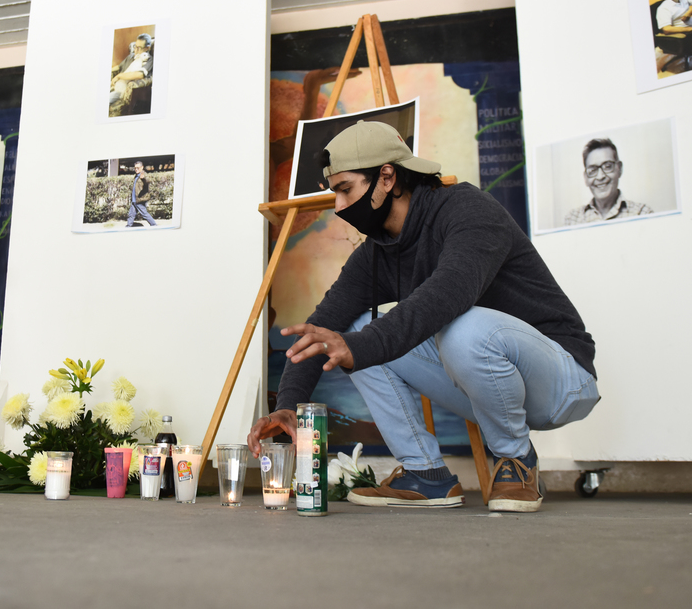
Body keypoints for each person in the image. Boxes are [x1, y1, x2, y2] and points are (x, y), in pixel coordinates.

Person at [247, 121, 599, 513]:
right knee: (352, 332)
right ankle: (425, 473)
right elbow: (322, 328)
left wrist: (361, 345)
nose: (340, 207)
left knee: (460, 327)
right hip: (488, 391)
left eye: (346, 189)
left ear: (387, 177)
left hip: (562, 379)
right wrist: (289, 404)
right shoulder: (377, 253)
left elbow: (448, 295)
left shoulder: (469, 210)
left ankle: (516, 460)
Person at [564, 138, 653, 226]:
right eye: (592, 170)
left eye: (608, 166)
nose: (600, 177)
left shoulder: (642, 213)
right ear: (586, 178)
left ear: (619, 169)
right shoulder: (573, 220)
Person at [109, 34, 153, 112]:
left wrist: (119, 76)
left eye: (139, 48)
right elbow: (119, 67)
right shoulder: (130, 56)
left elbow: (140, 75)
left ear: (147, 48)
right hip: (115, 84)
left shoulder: (148, 59)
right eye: (135, 46)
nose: (136, 50)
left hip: (122, 90)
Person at [125, 161, 156, 227]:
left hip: (140, 199)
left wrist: (143, 178)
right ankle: (128, 226)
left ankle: (154, 225)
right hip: (134, 200)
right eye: (135, 168)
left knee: (144, 214)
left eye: (138, 168)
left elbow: (148, 182)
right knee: (131, 215)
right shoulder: (136, 176)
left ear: (142, 167)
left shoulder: (144, 175)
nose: (136, 169)